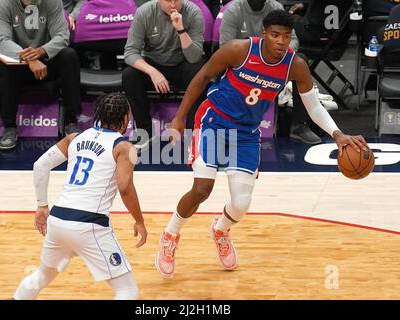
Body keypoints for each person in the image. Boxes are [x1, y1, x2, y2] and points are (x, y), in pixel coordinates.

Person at [155, 10, 368, 277]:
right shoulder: (238, 50)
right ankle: (170, 234)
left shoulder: (295, 65)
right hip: (215, 121)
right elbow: (201, 77)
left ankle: (220, 229)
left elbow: (313, 105)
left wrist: (338, 135)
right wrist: (178, 118)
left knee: (242, 202)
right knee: (202, 189)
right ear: (264, 34)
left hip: (246, 133)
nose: (281, 41)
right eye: (276, 35)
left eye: (287, 36)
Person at [13, 92, 148, 300]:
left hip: (57, 221)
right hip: (89, 224)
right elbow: (125, 187)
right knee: (127, 290)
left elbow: (40, 165)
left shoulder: (74, 137)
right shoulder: (124, 147)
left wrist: (42, 206)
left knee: (40, 277)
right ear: (125, 119)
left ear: (98, 114)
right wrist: (139, 220)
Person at [219, 0, 321, 144]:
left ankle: (299, 125)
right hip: (243, 69)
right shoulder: (233, 11)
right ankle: (224, 123)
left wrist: (276, 54)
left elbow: (292, 40)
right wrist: (257, 56)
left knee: (300, 61)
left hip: (273, 64)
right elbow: (225, 47)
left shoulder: (276, 8)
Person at [0, 0, 82, 150]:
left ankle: (71, 121)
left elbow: (62, 36)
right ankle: (9, 126)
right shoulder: (2, 3)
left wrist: (40, 52)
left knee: (69, 55)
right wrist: (29, 59)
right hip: (17, 62)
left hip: (46, 60)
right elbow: (2, 40)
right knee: (2, 65)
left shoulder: (52, 2)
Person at [123, 0, 206, 150]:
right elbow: (130, 52)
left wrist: (181, 30)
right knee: (129, 75)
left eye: (177, 0)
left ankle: (192, 134)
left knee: (199, 72)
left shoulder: (193, 12)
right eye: (168, 0)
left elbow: (194, 57)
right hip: (154, 63)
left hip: (183, 63)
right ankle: (145, 132)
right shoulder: (144, 12)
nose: (173, 4)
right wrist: (153, 72)